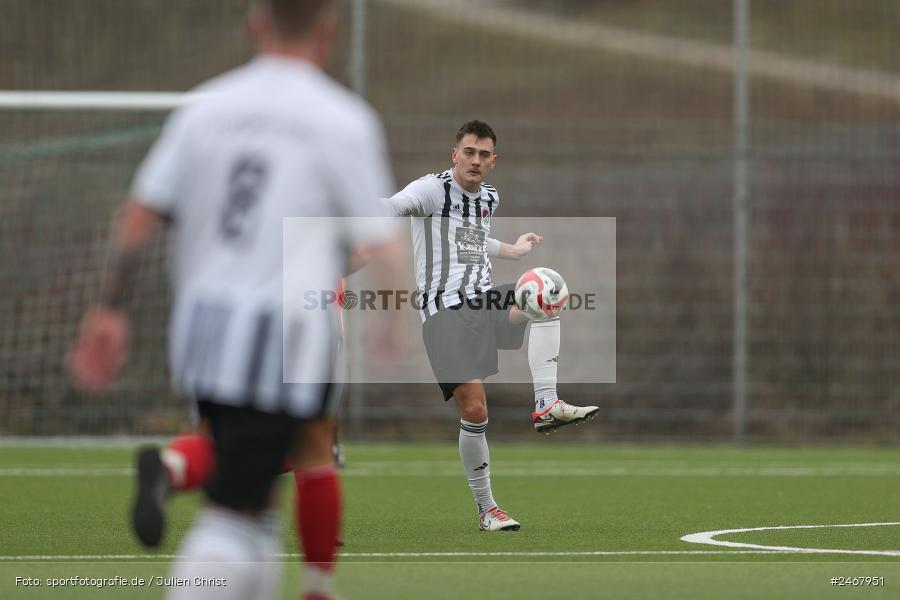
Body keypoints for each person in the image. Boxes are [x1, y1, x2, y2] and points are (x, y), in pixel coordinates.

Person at [67, 1, 404, 598]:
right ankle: (314, 587)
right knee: (254, 498)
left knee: (249, 502)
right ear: (326, 33)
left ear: (257, 24)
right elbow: (379, 242)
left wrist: (110, 308)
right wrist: (395, 321)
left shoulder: (205, 109)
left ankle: (173, 470)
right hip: (284, 334)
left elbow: (140, 215)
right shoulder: (341, 119)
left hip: (201, 334)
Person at [384, 120, 599, 532]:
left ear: (493, 161)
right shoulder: (432, 190)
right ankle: (487, 509)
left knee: (547, 291)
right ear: (455, 154)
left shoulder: (488, 198)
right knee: (476, 408)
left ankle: (546, 405)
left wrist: (512, 250)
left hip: (483, 299)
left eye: (484, 155)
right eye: (469, 152)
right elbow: (394, 207)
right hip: (444, 312)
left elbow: (468, 240)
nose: (476, 160)